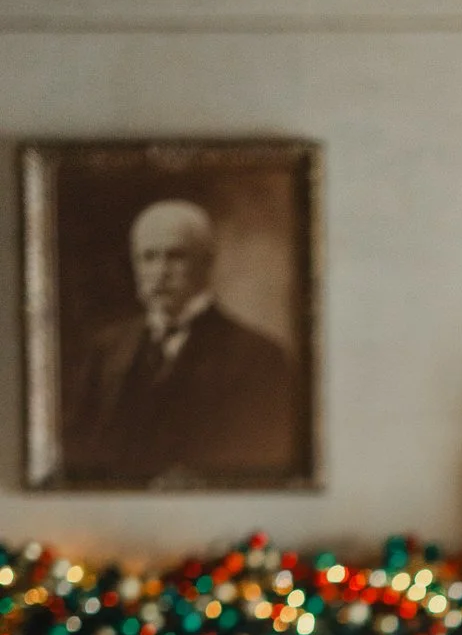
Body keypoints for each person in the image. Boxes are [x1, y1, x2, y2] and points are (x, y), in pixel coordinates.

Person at [64, 197, 298, 485]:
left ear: (207, 262)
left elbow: (263, 462)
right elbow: (78, 452)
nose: (160, 272)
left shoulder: (258, 356)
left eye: (175, 257)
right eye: (148, 257)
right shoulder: (106, 349)